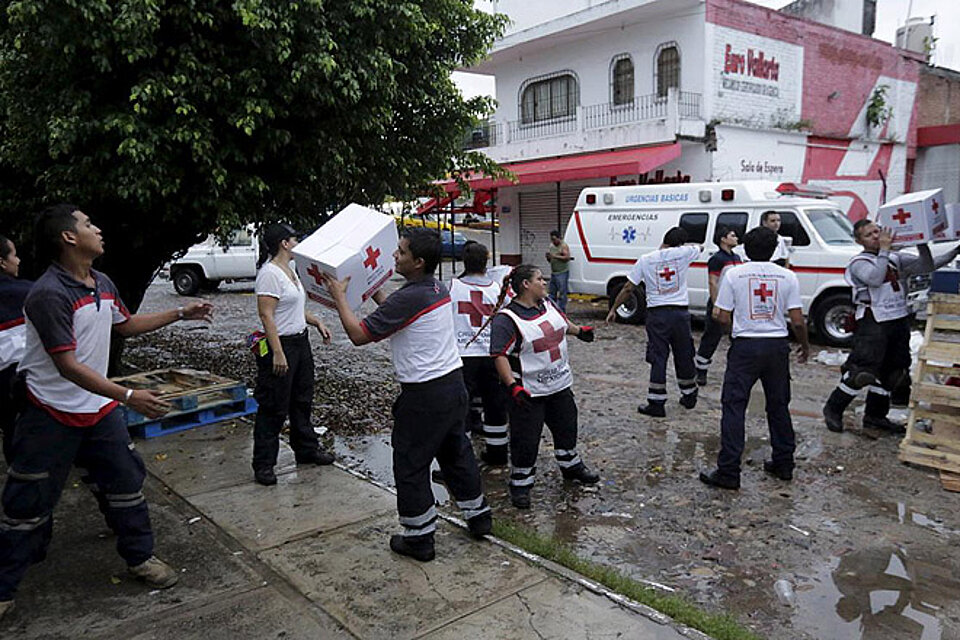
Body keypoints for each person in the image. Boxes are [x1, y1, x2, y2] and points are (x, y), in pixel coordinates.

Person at [0, 204, 214, 620]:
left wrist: (178, 312)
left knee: (126, 485)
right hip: (50, 413)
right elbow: (69, 366)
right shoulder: (49, 294)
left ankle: (140, 557)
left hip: (98, 412)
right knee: (27, 500)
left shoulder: (100, 281)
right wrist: (129, 395)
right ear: (68, 238)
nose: (98, 229)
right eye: (88, 225)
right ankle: (5, 586)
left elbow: (125, 324)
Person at [321, 228, 491, 562]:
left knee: (410, 463)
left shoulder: (411, 296)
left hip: (425, 395)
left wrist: (339, 295)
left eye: (401, 253)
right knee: (457, 454)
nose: (394, 256)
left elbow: (358, 335)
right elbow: (397, 313)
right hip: (453, 387)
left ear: (419, 262)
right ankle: (479, 517)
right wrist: (373, 289)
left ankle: (419, 538)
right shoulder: (433, 287)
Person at [822, 221, 960, 433]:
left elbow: (928, 265)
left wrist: (923, 243)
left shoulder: (895, 258)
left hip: (897, 318)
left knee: (894, 371)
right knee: (862, 371)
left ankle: (875, 416)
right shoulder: (859, 262)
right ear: (860, 241)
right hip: (872, 321)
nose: (877, 236)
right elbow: (875, 279)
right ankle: (833, 408)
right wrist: (885, 249)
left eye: (878, 231)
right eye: (870, 235)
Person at [699, 227, 809, 490]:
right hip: (776, 347)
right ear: (774, 250)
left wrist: (734, 334)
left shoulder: (735, 274)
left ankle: (729, 471)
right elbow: (797, 320)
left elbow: (721, 316)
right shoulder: (788, 276)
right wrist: (805, 345)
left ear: (746, 249)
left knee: (734, 406)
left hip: (745, 346)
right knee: (779, 405)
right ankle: (783, 463)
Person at [488, 264, 600, 509]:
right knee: (526, 440)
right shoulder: (507, 319)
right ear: (526, 285)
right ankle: (521, 484)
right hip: (529, 393)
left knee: (566, 427)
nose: (544, 282)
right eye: (539, 279)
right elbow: (499, 354)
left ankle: (571, 466)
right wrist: (511, 386)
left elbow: (560, 323)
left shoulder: (547, 303)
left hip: (559, 385)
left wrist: (579, 331)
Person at [251, 223, 335, 486]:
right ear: (284, 244)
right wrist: (277, 352)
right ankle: (264, 464)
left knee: (302, 399)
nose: (298, 243)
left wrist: (315, 321)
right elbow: (267, 315)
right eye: (294, 239)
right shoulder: (270, 274)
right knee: (274, 405)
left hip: (300, 342)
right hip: (281, 345)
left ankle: (306, 449)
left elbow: (293, 309)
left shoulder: (292, 270)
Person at [606, 227, 702, 417]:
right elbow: (700, 247)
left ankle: (657, 403)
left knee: (658, 357)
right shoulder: (684, 253)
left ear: (664, 240)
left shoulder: (646, 259)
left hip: (657, 315)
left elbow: (628, 287)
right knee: (684, 353)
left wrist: (613, 309)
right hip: (680, 314)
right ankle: (689, 395)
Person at [449, 242, 509, 464]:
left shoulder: (452, 287)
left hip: (462, 356)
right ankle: (498, 452)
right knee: (495, 404)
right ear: (487, 261)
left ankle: (461, 459)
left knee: (461, 407)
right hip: (493, 355)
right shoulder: (498, 289)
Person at [695, 225, 742, 387]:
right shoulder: (717, 259)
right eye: (733, 235)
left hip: (734, 304)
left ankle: (736, 370)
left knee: (736, 338)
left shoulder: (737, 258)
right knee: (711, 338)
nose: (736, 238)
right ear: (723, 239)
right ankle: (700, 370)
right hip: (720, 303)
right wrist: (716, 304)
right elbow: (713, 282)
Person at [0, 235, 32, 462]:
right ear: (2, 262)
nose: (19, 260)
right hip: (22, 377)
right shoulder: (27, 293)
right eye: (14, 254)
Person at [545, 230, 571, 312]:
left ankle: (561, 310)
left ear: (559, 238)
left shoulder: (563, 246)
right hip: (554, 272)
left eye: (554, 239)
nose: (553, 241)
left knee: (562, 293)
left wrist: (555, 256)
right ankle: (552, 310)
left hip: (562, 272)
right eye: (552, 239)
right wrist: (549, 257)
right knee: (552, 293)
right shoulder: (551, 246)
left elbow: (567, 258)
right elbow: (550, 259)